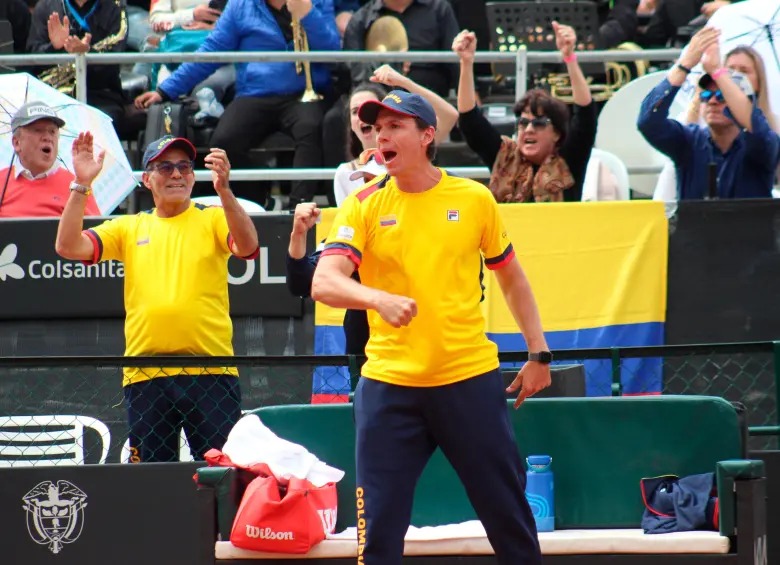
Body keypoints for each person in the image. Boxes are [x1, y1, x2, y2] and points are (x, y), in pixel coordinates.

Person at [311, 90, 552, 565]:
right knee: (378, 532)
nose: (381, 135)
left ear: (427, 135)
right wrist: (376, 298)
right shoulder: (363, 205)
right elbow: (324, 281)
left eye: (395, 126)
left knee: (509, 519)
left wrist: (538, 353)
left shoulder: (473, 198)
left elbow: (512, 278)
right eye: (377, 127)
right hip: (389, 387)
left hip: (468, 380)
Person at [54, 133, 260, 463]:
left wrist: (224, 191)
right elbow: (67, 246)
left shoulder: (213, 217)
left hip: (211, 371)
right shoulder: (129, 227)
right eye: (165, 167)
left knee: (223, 476)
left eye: (184, 166)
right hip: (146, 374)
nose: (177, 174)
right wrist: (81, 184)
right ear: (147, 179)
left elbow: (248, 247)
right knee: (150, 481)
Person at [134, 0, 341, 210]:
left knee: (310, 128)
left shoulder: (316, 2)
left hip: (303, 95)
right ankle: (257, 201)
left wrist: (307, 14)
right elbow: (211, 51)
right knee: (223, 142)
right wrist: (165, 90)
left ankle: (298, 211)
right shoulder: (240, 5)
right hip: (255, 93)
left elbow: (332, 49)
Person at [454, 24, 597, 203]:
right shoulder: (504, 158)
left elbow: (585, 115)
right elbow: (469, 120)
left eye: (539, 123)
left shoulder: (568, 159)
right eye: (523, 122)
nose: (528, 129)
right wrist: (466, 63)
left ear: (556, 133)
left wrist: (569, 58)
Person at [638, 27, 780, 200]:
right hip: (696, 227)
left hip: (746, 227)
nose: (712, 101)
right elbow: (648, 121)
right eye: (706, 95)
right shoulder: (689, 141)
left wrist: (718, 71)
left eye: (721, 96)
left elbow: (757, 132)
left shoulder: (765, 141)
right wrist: (685, 64)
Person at [334, 66, 458, 206]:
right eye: (355, 112)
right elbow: (348, 224)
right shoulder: (345, 173)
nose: (364, 119)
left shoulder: (413, 148)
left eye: (394, 126)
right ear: (350, 123)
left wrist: (404, 83)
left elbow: (450, 115)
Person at [286, 202, 369, 358]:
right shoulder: (347, 235)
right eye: (365, 181)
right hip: (369, 360)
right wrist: (298, 234)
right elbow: (302, 284)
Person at [0, 102, 100, 218]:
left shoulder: (77, 186)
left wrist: (83, 182)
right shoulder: (2, 181)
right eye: (37, 130)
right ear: (17, 142)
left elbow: (95, 231)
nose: (47, 137)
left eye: (52, 131)